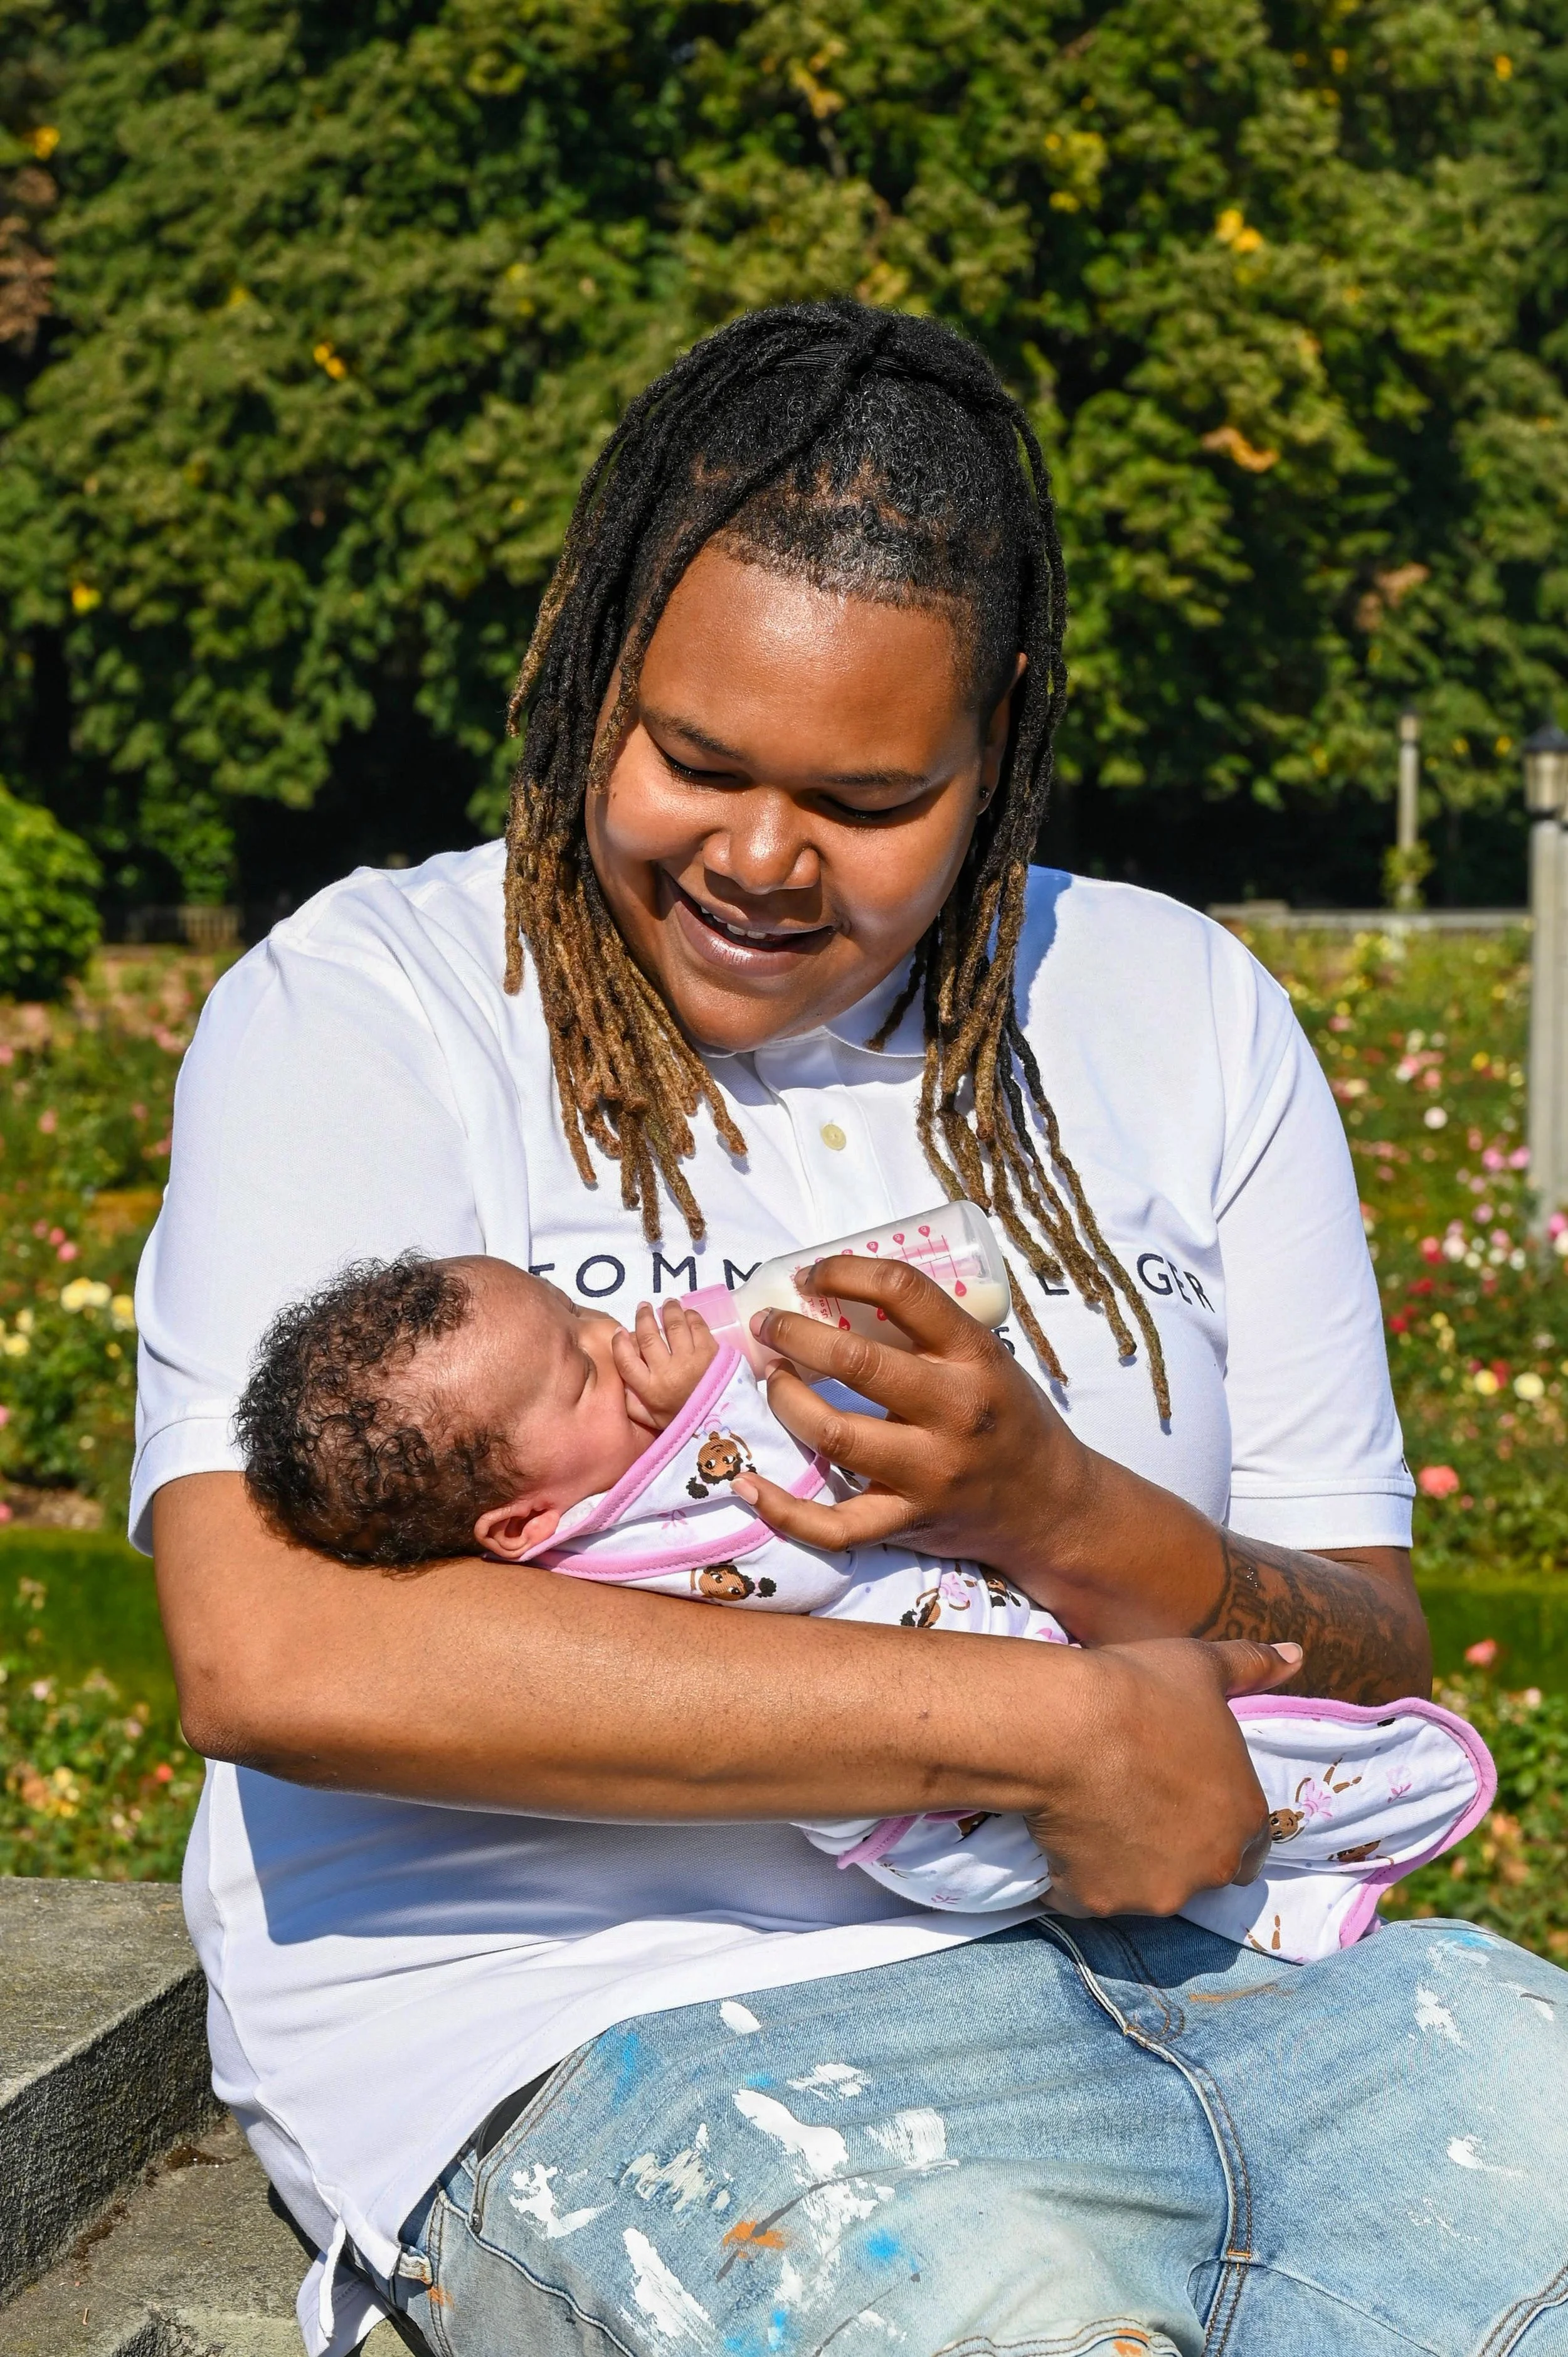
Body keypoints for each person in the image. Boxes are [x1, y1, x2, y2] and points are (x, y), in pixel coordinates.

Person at [140, 302, 1568, 2357]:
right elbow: (274, 1642)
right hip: (626, 2062)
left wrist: (1059, 1507)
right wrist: (1054, 1722)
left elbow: (1363, 1638)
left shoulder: (1181, 1012)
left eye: (871, 795)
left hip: (1252, 2014)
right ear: (584, 660)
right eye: (691, 757)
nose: (758, 857)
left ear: (999, 750)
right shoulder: (372, 1006)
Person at [233, 1250, 1492, 1947]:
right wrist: (734, 1383)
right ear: (517, 1527)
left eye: (585, 1314)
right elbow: (776, 1515)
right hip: (950, 1831)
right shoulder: (639, 1527)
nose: (621, 1341)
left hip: (1003, 1735)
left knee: (1236, 1780)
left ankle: (1306, 1886)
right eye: (574, 1368)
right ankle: (1337, 1844)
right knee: (1260, 1777)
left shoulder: (583, 1497)